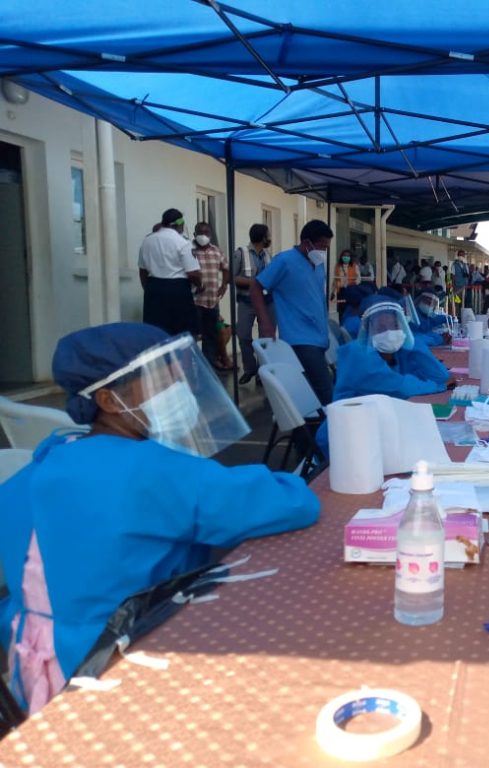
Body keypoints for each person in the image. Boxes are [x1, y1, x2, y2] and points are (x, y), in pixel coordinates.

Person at [0, 323, 319, 714]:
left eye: (177, 376)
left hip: (32, 675)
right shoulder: (151, 472)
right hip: (126, 672)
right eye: (161, 380)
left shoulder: (40, 465)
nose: (177, 389)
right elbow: (294, 503)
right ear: (109, 400)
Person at [314, 295, 453, 458]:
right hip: (345, 439)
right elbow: (401, 387)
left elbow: (440, 375)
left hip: (375, 429)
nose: (390, 333)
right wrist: (439, 387)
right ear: (367, 329)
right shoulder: (359, 356)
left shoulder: (396, 353)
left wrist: (411, 342)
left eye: (395, 326)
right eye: (381, 327)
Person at [251, 219, 334, 405]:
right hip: (300, 338)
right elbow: (256, 287)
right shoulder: (285, 260)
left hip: (320, 336)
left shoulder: (318, 264)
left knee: (313, 391)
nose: (324, 251)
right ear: (307, 243)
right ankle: (325, 423)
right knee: (325, 391)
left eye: (327, 247)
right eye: (322, 246)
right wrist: (265, 322)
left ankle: (308, 423)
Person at [138, 208, 201, 337]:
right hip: (177, 290)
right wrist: (200, 285)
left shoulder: (147, 241)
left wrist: (149, 289)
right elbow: (193, 273)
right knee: (181, 334)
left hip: (153, 289)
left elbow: (142, 270)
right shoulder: (183, 243)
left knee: (156, 333)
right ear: (180, 224)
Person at [233, 223, 274, 386]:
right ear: (262, 237)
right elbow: (232, 277)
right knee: (243, 335)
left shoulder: (268, 255)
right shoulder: (240, 253)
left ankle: (261, 373)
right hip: (247, 301)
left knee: (266, 338)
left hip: (267, 302)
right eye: (268, 235)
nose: (270, 238)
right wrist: (254, 283)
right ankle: (250, 368)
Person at [190, 222, 229, 369]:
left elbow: (226, 268)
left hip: (212, 300)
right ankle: (193, 365)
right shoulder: (189, 250)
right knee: (193, 334)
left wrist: (224, 285)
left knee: (211, 333)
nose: (203, 236)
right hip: (194, 300)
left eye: (206, 233)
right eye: (200, 232)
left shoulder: (216, 251)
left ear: (210, 235)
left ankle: (209, 363)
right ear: (194, 234)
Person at [333, 249, 359, 317]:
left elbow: (358, 279)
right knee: (341, 309)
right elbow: (335, 280)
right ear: (341, 257)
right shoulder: (338, 266)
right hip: (341, 291)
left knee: (349, 308)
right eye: (344, 256)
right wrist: (333, 292)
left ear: (350, 257)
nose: (346, 257)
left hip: (351, 290)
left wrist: (353, 284)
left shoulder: (354, 266)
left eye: (347, 256)